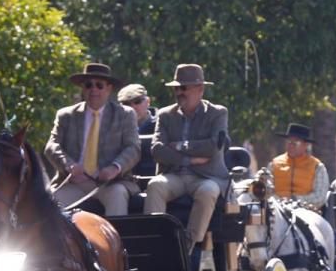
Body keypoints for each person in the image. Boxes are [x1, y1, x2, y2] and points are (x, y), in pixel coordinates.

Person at [145, 64, 231, 250]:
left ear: (200, 89)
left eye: (184, 88)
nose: (179, 92)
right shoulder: (165, 115)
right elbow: (157, 150)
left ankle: (187, 245)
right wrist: (189, 159)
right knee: (155, 186)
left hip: (206, 176)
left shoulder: (218, 113)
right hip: (174, 176)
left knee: (208, 191)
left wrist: (178, 145)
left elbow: (213, 147)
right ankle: (154, 242)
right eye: (176, 88)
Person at [45, 62, 141, 216]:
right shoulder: (66, 115)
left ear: (109, 88)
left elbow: (133, 148)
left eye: (99, 85)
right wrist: (69, 165)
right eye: (88, 85)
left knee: (118, 194)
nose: (93, 90)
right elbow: (52, 146)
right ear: (83, 89)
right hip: (75, 182)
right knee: (49, 204)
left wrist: (114, 168)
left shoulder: (125, 114)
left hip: (110, 183)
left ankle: (118, 239)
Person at [267, 123, 329, 210]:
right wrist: (278, 201)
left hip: (307, 211)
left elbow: (319, 197)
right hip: (276, 210)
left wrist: (295, 199)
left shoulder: (317, 166)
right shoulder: (274, 164)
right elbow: (267, 190)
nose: (291, 145)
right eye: (289, 141)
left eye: (296, 142)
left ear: (306, 145)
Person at [118, 82, 157, 177]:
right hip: (125, 179)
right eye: (126, 103)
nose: (133, 107)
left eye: (137, 101)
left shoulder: (161, 124)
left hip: (153, 178)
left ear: (148, 101)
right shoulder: (115, 128)